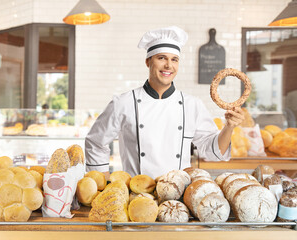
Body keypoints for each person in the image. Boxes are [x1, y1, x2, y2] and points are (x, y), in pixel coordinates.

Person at [85, 26, 245, 179]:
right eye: (161, 58)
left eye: (174, 59)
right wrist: (103, 182)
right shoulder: (123, 103)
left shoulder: (192, 105)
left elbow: (213, 152)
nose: (169, 65)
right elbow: (95, 142)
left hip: (179, 196)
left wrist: (229, 126)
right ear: (148, 62)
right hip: (137, 196)